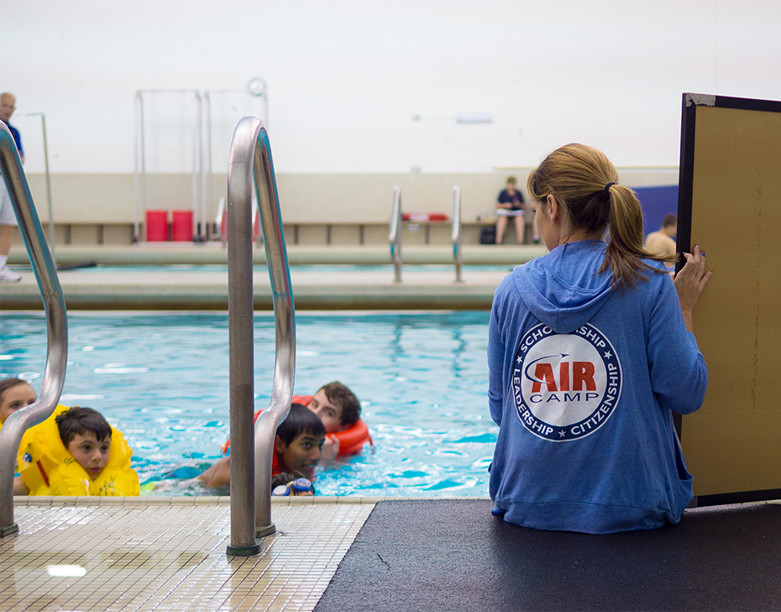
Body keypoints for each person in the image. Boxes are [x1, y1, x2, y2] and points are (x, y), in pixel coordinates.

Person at [488, 143, 712, 534]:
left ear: (553, 207)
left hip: (526, 501)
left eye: (536, 210)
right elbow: (686, 394)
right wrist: (685, 310)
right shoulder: (649, 282)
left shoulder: (511, 290)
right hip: (632, 504)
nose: (538, 221)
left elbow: (499, 409)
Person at [16, 404, 139, 496]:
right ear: (64, 448)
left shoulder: (122, 486)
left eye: (104, 448)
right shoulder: (22, 487)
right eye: (86, 448)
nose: (98, 457)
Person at [199, 402, 326, 490]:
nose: (316, 456)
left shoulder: (303, 466)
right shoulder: (239, 472)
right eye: (307, 445)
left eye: (320, 445)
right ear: (280, 444)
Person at [0, 92, 23, 283]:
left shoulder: (12, 132)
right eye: (5, 105)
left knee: (8, 223)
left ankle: (1, 266)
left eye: (11, 107)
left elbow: (21, 158)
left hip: (9, 180)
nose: (8, 110)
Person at [494, 176, 526, 245]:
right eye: (510, 184)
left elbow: (524, 206)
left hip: (516, 212)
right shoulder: (503, 193)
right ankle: (498, 240)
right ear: (507, 184)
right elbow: (497, 205)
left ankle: (520, 240)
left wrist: (519, 204)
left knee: (520, 218)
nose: (511, 186)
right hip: (505, 212)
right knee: (502, 218)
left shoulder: (518, 193)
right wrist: (505, 205)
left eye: (513, 184)